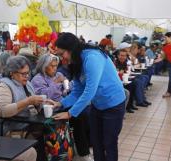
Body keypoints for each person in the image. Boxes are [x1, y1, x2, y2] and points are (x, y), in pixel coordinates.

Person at [52, 33, 126, 161]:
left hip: (113, 104)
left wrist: (70, 113)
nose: (61, 59)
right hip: (97, 105)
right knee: (96, 143)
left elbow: (90, 90)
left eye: (61, 54)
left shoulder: (92, 57)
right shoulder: (76, 61)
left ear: (71, 49)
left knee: (109, 143)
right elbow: (77, 91)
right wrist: (60, 103)